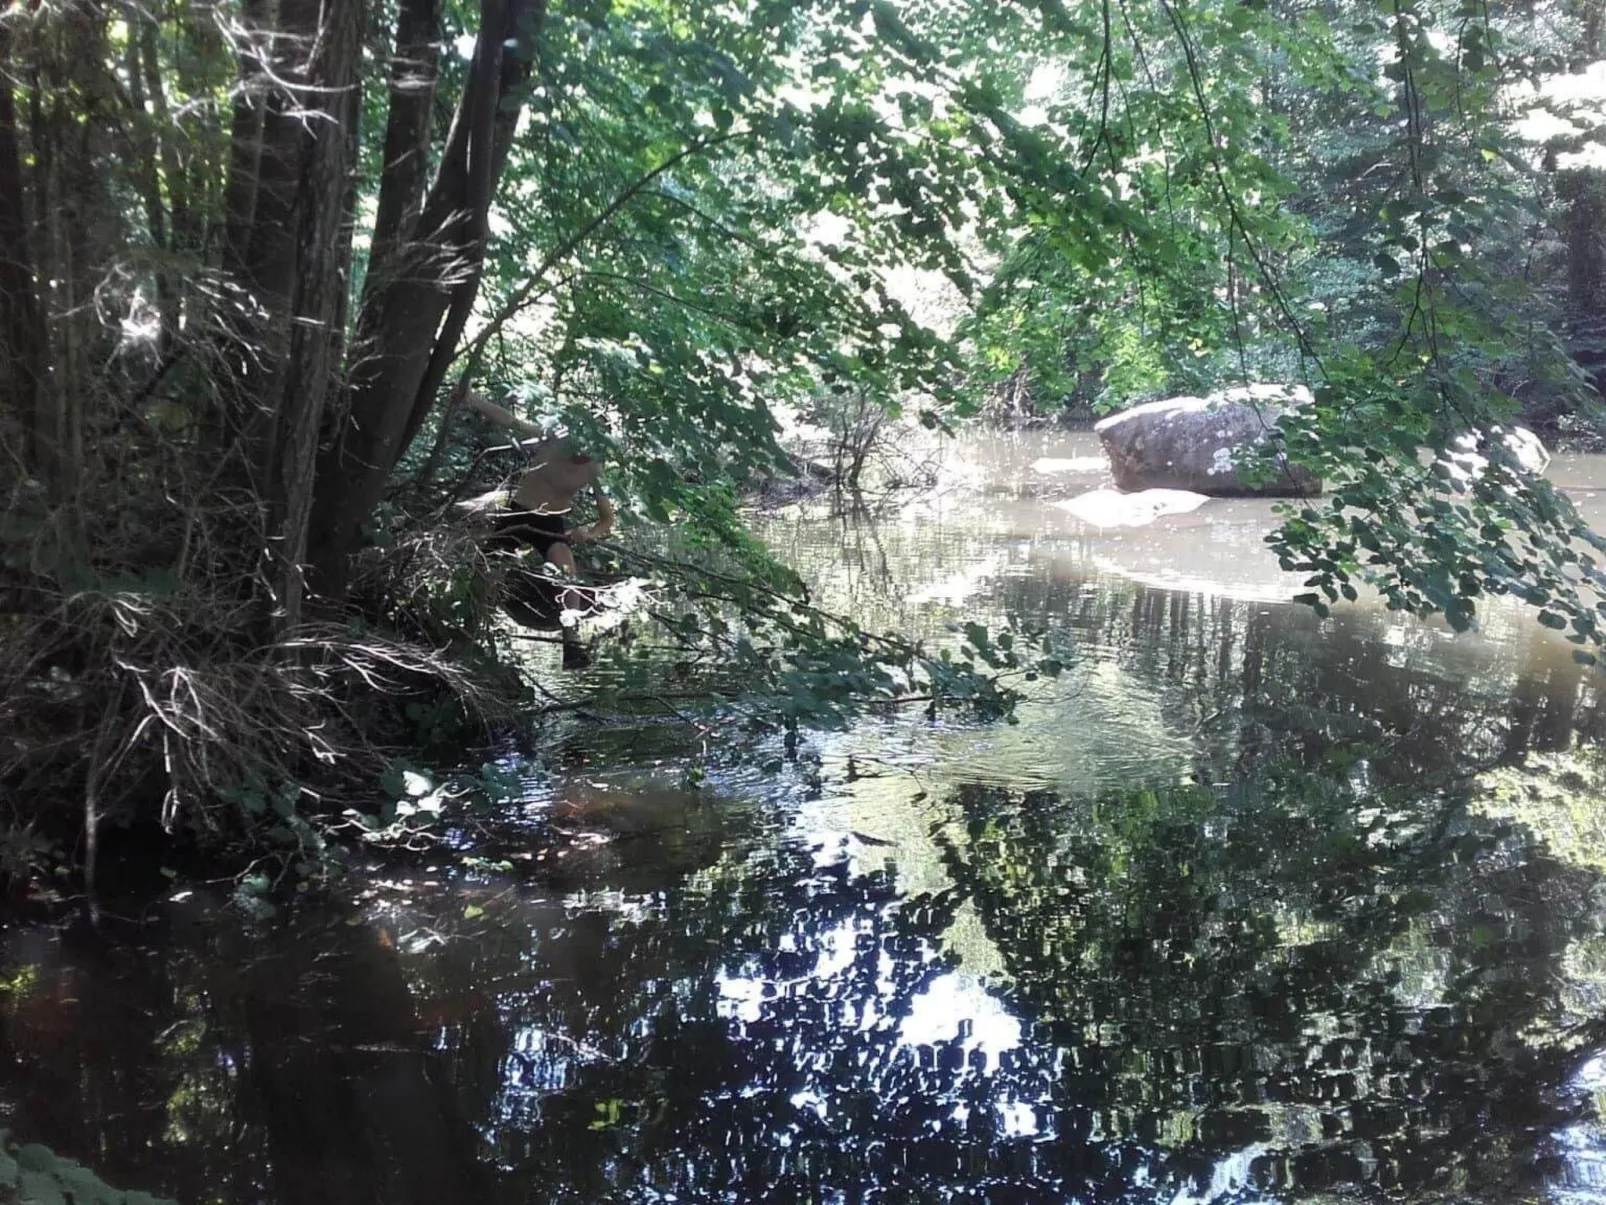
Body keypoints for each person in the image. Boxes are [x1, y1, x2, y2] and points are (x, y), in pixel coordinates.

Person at [462, 393, 615, 655]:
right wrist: (471, 399)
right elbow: (511, 421)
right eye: (582, 446)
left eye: (592, 449)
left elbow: (607, 518)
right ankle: (471, 627)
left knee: (568, 574)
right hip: (518, 511)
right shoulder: (552, 437)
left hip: (551, 521)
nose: (584, 454)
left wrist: (588, 534)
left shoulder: (594, 469)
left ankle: (572, 643)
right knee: (486, 568)